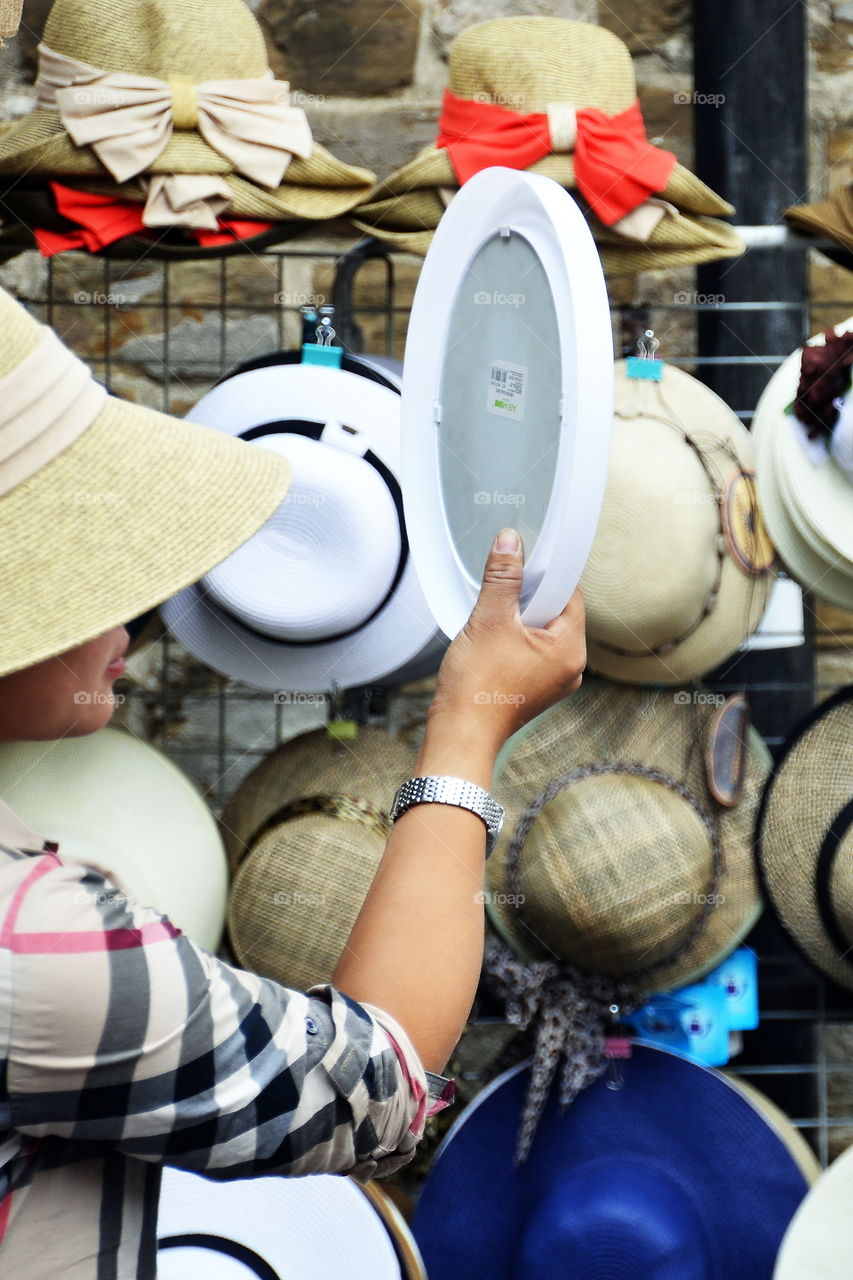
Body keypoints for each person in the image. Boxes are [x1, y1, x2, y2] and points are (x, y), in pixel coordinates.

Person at [0, 286, 585, 1278]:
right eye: (86, 562)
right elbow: (377, 1085)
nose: (132, 611)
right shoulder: (41, 951)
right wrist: (468, 718)